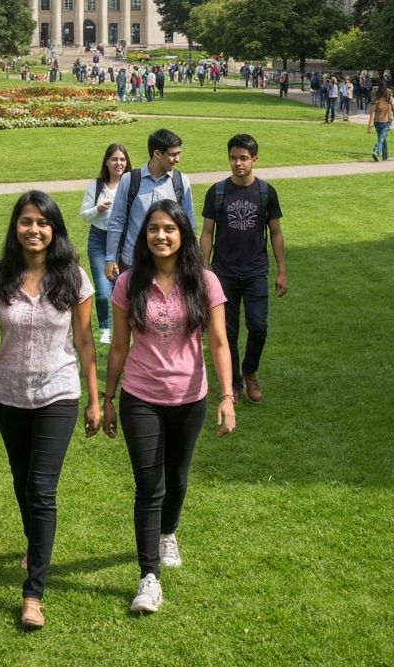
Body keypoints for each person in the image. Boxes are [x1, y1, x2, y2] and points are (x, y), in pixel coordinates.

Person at [103, 199, 236, 615]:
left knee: (176, 478)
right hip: (140, 395)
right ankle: (149, 577)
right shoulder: (128, 283)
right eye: (153, 229)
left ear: (183, 234)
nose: (161, 236)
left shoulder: (205, 281)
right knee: (148, 486)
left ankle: (168, 532)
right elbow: (120, 345)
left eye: (169, 229)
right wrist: (107, 398)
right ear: (144, 236)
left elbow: (218, 342)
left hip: (189, 397)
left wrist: (227, 397)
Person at [0, 191, 100, 631]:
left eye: (43, 223)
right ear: (16, 227)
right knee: (22, 481)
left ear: (55, 229)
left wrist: (94, 396)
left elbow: (86, 341)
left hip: (58, 392)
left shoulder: (74, 278)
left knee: (41, 490)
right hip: (8, 395)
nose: (34, 230)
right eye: (26, 221)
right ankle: (36, 544)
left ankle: (33, 594)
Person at [199, 133, 287, 405]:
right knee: (228, 332)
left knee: (258, 327)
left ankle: (250, 371)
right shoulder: (217, 192)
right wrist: (202, 270)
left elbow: (275, 232)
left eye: (243, 158)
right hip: (222, 273)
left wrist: (281, 269)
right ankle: (235, 382)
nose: (238, 163)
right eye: (233, 158)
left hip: (255, 271)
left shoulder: (265, 192)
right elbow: (206, 233)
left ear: (254, 160)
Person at [105, 128, 196, 280]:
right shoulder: (130, 180)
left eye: (178, 153)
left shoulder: (181, 181)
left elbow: (189, 224)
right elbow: (116, 221)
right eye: (172, 155)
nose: (177, 159)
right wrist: (110, 258)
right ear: (157, 154)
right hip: (133, 260)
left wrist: (193, 258)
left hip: (169, 261)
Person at [80, 144, 132, 344]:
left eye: (122, 159)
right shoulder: (96, 185)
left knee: (121, 287)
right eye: (114, 159)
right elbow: (84, 214)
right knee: (103, 290)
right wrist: (97, 210)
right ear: (107, 162)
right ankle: (105, 328)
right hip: (99, 239)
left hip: (123, 240)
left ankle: (123, 327)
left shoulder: (130, 183)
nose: (118, 163)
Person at [367, 82, 394, 161]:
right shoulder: (389, 97)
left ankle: (385, 155)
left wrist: (370, 125)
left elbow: (372, 111)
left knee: (382, 138)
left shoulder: (376, 98)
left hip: (377, 121)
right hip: (386, 121)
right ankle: (376, 151)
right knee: (381, 138)